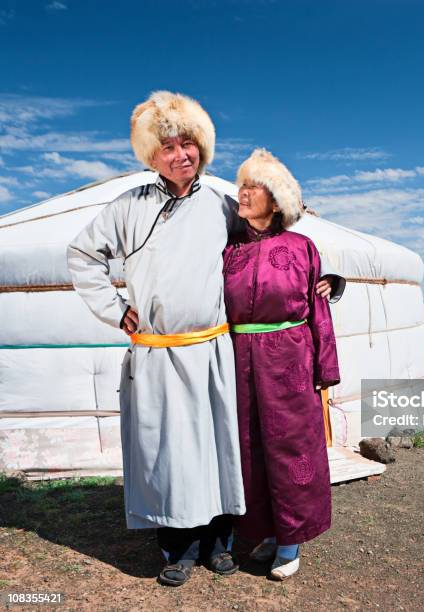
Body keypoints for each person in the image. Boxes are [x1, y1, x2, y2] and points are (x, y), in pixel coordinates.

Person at [67, 91, 341, 586]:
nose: (180, 156)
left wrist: (328, 279)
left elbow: (272, 239)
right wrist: (115, 309)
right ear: (151, 156)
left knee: (218, 450)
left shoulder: (221, 204)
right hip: (158, 352)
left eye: (188, 145)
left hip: (216, 350)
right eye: (168, 147)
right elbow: (82, 255)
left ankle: (219, 543)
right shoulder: (127, 208)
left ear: (203, 149)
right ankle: (178, 548)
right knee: (169, 452)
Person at [222, 149, 340, 581]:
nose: (244, 192)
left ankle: (290, 541)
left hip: (289, 357)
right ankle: (264, 530)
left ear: (276, 202)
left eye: (254, 187)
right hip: (237, 358)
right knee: (249, 448)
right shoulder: (228, 252)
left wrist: (325, 369)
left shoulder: (302, 247)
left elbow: (318, 308)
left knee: (291, 450)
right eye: (243, 185)